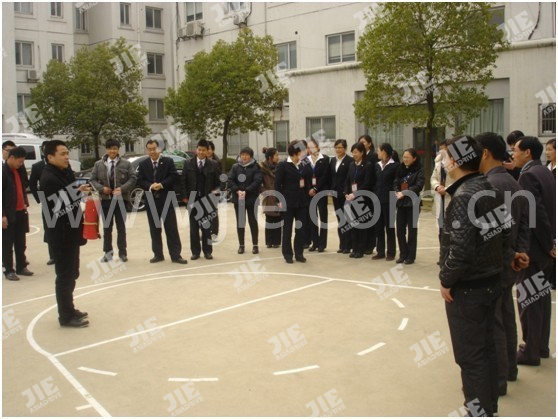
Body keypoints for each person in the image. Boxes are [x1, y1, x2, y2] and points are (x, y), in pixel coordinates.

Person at [439, 135, 505, 417]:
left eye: (445, 156)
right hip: (490, 281)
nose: (443, 161)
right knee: (486, 350)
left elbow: (461, 251)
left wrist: (446, 280)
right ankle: (489, 408)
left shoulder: (465, 196)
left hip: (469, 290)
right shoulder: (488, 187)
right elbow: (503, 234)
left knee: (471, 357)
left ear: (455, 161)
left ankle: (478, 411)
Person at [477, 132, 531, 395]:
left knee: (493, 322)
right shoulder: (514, 183)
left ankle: (497, 380)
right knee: (507, 315)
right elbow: (525, 224)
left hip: (494, 263)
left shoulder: (488, 186)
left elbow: (493, 233)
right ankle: (509, 369)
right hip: (510, 263)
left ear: (485, 153)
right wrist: (519, 253)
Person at [512, 136, 556, 366]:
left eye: (515, 150)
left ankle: (530, 351)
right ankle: (540, 346)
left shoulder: (528, 175)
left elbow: (535, 213)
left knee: (529, 300)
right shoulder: (545, 172)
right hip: (544, 248)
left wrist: (548, 244)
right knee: (541, 298)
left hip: (534, 248)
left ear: (527, 152)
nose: (513, 154)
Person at [40, 140, 90, 327]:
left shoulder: (62, 172)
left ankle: (70, 308)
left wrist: (77, 190)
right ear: (50, 157)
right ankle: (65, 316)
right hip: (61, 236)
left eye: (67, 153)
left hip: (70, 233)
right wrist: (77, 193)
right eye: (62, 154)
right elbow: (58, 206)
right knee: (64, 276)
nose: (67, 157)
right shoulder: (49, 178)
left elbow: (68, 192)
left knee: (72, 273)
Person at [137, 140, 187, 264]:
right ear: (147, 150)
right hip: (151, 200)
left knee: (171, 229)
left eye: (154, 149)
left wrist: (161, 184)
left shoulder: (168, 162)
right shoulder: (143, 164)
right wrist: (150, 186)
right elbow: (140, 180)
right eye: (149, 149)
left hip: (167, 199)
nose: (152, 152)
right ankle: (158, 255)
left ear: (159, 149)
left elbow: (174, 176)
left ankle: (176, 255)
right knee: (155, 229)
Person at [89, 139, 137, 263]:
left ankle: (123, 253)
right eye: (110, 148)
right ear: (106, 149)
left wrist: (122, 189)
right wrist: (101, 189)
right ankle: (107, 254)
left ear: (118, 149)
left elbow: (133, 178)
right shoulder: (98, 164)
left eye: (115, 148)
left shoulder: (126, 164)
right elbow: (92, 180)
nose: (112, 151)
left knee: (121, 228)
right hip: (105, 201)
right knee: (107, 228)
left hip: (121, 200)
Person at [275, 140, 312, 263]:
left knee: (300, 229)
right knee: (287, 230)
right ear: (296, 152)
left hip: (301, 203)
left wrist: (309, 192)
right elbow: (277, 185)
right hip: (287, 202)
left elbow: (306, 183)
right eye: (303, 151)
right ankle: (287, 254)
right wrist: (278, 200)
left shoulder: (303, 165)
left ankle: (299, 253)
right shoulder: (283, 165)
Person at [182, 139, 221, 260]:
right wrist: (184, 197)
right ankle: (195, 252)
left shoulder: (213, 164)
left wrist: (216, 191)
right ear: (196, 150)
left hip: (207, 199)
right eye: (199, 150)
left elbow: (219, 182)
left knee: (206, 227)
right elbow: (183, 181)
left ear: (207, 151)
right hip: (192, 199)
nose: (201, 152)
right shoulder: (188, 163)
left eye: (204, 150)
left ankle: (207, 251)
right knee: (194, 228)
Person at [2, 147, 33, 281]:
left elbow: (23, 188)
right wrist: (2, 215)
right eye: (20, 161)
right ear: (11, 158)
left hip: (21, 211)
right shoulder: (3, 172)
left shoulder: (19, 170)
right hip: (8, 213)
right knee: (7, 244)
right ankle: (9, 270)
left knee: (21, 242)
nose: (21, 164)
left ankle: (21, 266)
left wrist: (25, 202)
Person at [228, 146, 263, 254]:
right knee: (240, 222)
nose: (244, 156)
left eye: (247, 155)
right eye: (242, 154)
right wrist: (237, 190)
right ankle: (241, 245)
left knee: (253, 222)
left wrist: (246, 191)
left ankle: (255, 245)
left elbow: (257, 181)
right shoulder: (235, 167)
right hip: (239, 199)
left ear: (251, 156)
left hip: (252, 199)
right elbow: (230, 180)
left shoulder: (256, 167)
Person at [344, 142, 375, 259]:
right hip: (351, 199)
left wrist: (355, 194)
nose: (354, 154)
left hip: (363, 199)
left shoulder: (368, 165)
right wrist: (346, 193)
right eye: (352, 152)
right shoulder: (352, 165)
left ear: (362, 152)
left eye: (356, 152)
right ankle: (354, 248)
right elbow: (347, 180)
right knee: (353, 225)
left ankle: (361, 249)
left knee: (362, 226)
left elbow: (367, 183)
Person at [393, 148, 424, 264]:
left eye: (407, 157)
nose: (405, 159)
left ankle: (410, 256)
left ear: (414, 158)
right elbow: (395, 181)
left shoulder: (419, 170)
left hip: (412, 203)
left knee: (412, 231)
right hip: (401, 202)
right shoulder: (400, 168)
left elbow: (419, 186)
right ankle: (403, 254)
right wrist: (397, 191)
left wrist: (405, 192)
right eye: (404, 157)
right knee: (400, 230)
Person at [29, 140, 55, 265]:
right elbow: (32, 184)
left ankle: (62, 253)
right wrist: (40, 198)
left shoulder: (60, 164)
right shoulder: (37, 166)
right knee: (49, 228)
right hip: (46, 202)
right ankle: (53, 255)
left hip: (61, 200)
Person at [373, 143, 400, 261]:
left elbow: (396, 182)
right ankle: (380, 251)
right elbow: (374, 181)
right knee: (378, 227)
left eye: (378, 150)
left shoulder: (395, 166)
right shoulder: (377, 165)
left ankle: (391, 252)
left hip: (390, 200)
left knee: (389, 227)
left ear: (384, 151)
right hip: (377, 199)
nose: (377, 153)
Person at [329, 139, 353, 254]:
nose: (338, 149)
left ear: (345, 148)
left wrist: (346, 191)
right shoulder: (333, 160)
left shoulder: (350, 161)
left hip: (346, 194)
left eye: (340, 147)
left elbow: (350, 178)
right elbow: (331, 177)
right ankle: (342, 244)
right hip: (335, 194)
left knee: (347, 220)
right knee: (340, 219)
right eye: (336, 147)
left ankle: (348, 245)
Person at [307, 138, 330, 252]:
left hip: (321, 191)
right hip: (309, 193)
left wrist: (316, 188)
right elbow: (304, 176)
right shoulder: (305, 160)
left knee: (323, 217)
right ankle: (314, 242)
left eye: (312, 147)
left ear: (317, 147)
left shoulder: (325, 159)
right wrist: (309, 189)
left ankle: (322, 244)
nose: (310, 149)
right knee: (312, 217)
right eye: (308, 147)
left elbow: (325, 176)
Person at [430, 139, 455, 242]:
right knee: (441, 229)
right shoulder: (438, 161)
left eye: (444, 149)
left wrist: (446, 189)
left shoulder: (455, 162)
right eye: (440, 149)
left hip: (451, 196)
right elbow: (433, 178)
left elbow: (458, 179)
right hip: (440, 197)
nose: (442, 151)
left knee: (451, 228)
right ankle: (442, 250)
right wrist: (437, 186)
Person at [358, 134, 378, 255]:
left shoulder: (373, 156)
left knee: (370, 218)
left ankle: (370, 245)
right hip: (359, 192)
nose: (361, 144)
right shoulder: (359, 157)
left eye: (364, 142)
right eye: (360, 142)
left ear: (369, 144)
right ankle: (362, 244)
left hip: (370, 191)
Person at [260, 147, 282, 248]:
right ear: (270, 157)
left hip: (279, 195)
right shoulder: (262, 168)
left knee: (278, 218)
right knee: (269, 218)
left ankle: (276, 241)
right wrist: (265, 192)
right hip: (268, 196)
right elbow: (258, 183)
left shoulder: (280, 167)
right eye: (276, 155)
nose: (278, 157)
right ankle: (269, 242)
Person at [207, 140, 221, 240]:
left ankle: (214, 232)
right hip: (203, 191)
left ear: (212, 150)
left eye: (209, 149)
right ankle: (206, 232)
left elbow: (220, 178)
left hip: (213, 190)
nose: (207, 151)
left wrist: (217, 189)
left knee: (212, 212)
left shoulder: (216, 162)